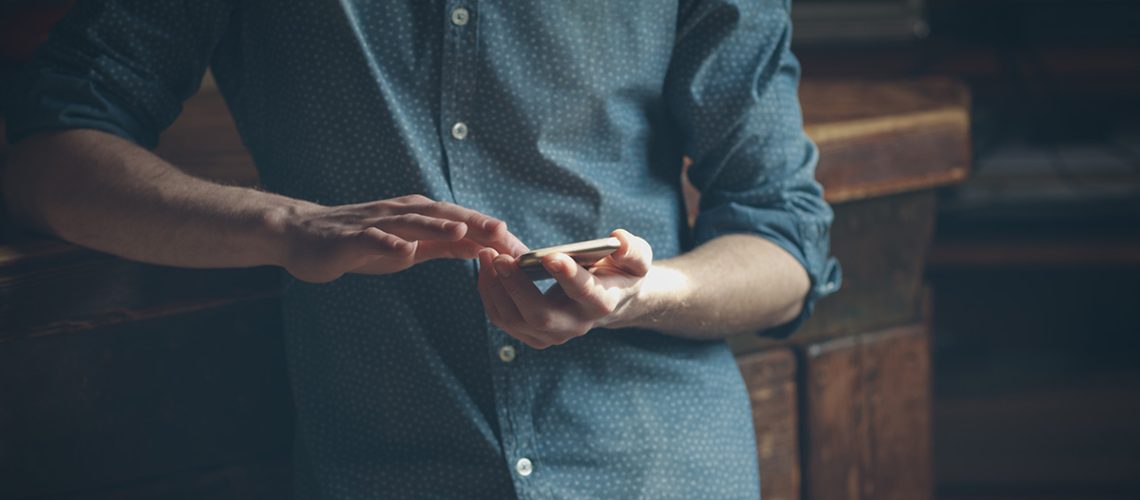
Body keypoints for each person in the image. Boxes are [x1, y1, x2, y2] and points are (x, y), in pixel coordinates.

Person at [3, 0, 840, 498]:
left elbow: (784, 244)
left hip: (663, 470)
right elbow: (48, 153)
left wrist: (643, 293)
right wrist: (286, 229)